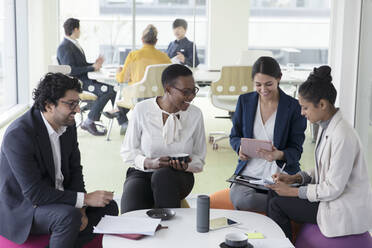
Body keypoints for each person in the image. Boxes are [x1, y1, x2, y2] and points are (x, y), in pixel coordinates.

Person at [0, 73, 118, 247]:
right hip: (24, 208)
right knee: (68, 217)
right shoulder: (19, 135)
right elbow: (35, 194)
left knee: (109, 207)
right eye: (71, 104)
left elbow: (75, 170)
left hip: (58, 199)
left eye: (78, 103)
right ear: (49, 105)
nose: (77, 110)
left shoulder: (67, 126)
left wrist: (82, 207)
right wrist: (83, 199)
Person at [266, 65, 372, 240]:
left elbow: (333, 188)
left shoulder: (343, 135)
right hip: (329, 196)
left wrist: (293, 192)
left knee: (278, 204)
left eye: (305, 108)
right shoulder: (326, 126)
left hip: (339, 204)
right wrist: (295, 178)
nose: (302, 113)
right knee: (274, 191)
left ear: (322, 104)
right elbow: (324, 168)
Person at [120, 64, 206, 213]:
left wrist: (187, 166)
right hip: (143, 172)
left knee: (163, 175)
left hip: (179, 177)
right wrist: (148, 162)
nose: (191, 96)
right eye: (186, 92)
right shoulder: (142, 109)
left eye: (193, 91)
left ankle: (171, 232)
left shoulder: (195, 114)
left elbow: (199, 159)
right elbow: (128, 151)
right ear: (168, 89)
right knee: (131, 210)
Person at [229, 56, 307, 213]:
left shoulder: (293, 107)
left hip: (281, 174)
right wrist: (239, 149)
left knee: (254, 199)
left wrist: (278, 154)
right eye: (258, 84)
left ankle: (283, 203)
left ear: (279, 78)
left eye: (268, 84)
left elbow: (296, 151)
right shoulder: (244, 101)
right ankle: (284, 204)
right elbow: (234, 136)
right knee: (243, 199)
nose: (263, 89)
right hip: (249, 173)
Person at [57, 18, 129, 136]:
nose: (80, 31)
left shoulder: (72, 44)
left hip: (84, 81)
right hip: (78, 84)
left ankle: (123, 123)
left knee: (113, 90)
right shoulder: (65, 47)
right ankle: (90, 121)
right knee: (109, 90)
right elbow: (71, 70)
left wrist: (94, 64)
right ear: (75, 29)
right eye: (79, 29)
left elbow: (79, 65)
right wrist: (92, 68)